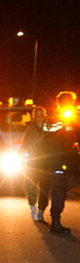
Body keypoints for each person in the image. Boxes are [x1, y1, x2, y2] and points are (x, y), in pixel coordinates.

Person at [41, 91, 80, 234]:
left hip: (69, 160)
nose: (70, 104)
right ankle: (55, 222)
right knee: (58, 191)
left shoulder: (72, 118)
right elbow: (48, 132)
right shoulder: (54, 118)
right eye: (67, 102)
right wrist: (62, 123)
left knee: (63, 190)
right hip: (56, 161)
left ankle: (56, 219)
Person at [22, 106, 49, 221]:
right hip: (33, 160)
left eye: (41, 115)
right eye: (36, 115)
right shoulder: (30, 129)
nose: (39, 118)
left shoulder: (49, 128)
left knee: (44, 187)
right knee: (30, 184)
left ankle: (41, 210)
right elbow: (25, 144)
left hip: (46, 161)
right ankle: (32, 206)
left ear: (44, 115)